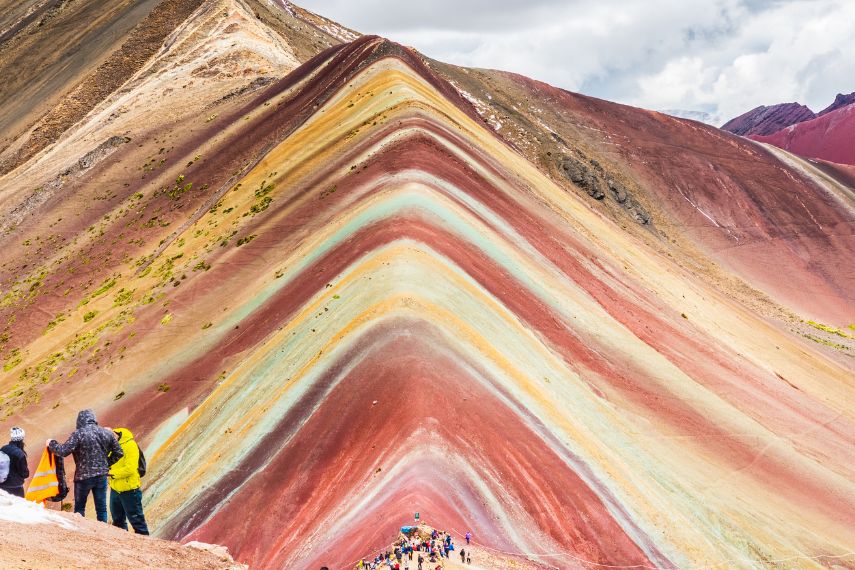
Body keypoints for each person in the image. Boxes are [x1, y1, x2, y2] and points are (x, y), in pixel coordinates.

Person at [49, 409, 123, 522]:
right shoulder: (106, 432)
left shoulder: (78, 434)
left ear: (79, 421)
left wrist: (51, 443)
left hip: (83, 477)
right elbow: (119, 452)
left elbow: (63, 451)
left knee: (79, 508)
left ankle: (80, 533)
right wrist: (105, 463)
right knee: (102, 509)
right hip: (101, 475)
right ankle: (103, 533)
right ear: (94, 419)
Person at [109, 427, 149, 535]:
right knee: (118, 522)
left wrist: (112, 473)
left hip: (130, 490)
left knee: (137, 522)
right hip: (115, 489)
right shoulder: (110, 445)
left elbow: (130, 468)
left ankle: (146, 548)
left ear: (114, 435)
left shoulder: (130, 445)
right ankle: (124, 546)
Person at [0, 427, 28, 498]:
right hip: (16, 488)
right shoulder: (20, 454)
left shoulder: (3, 448)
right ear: (22, 439)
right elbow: (25, 474)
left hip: (2, 486)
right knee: (19, 507)